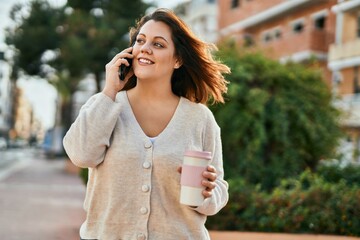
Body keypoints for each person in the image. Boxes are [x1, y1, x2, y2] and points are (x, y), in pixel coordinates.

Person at [63, 8, 230, 240]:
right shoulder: (105, 104)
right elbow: (81, 155)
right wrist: (110, 89)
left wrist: (208, 192)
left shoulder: (199, 119)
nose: (145, 48)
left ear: (178, 59)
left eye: (158, 44)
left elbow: (218, 191)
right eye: (140, 41)